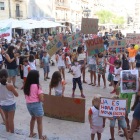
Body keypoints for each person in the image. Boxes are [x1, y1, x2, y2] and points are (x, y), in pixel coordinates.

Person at [24, 70, 47, 140]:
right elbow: (41, 98)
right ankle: (40, 137)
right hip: (36, 105)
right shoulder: (38, 86)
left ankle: (31, 133)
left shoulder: (26, 86)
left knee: (33, 118)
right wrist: (42, 96)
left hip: (29, 105)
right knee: (39, 122)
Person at [0, 69, 18, 133]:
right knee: (11, 120)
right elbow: (17, 95)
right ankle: (12, 133)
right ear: (7, 76)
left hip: (3, 104)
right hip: (11, 104)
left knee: (6, 119)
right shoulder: (10, 85)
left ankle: (7, 131)